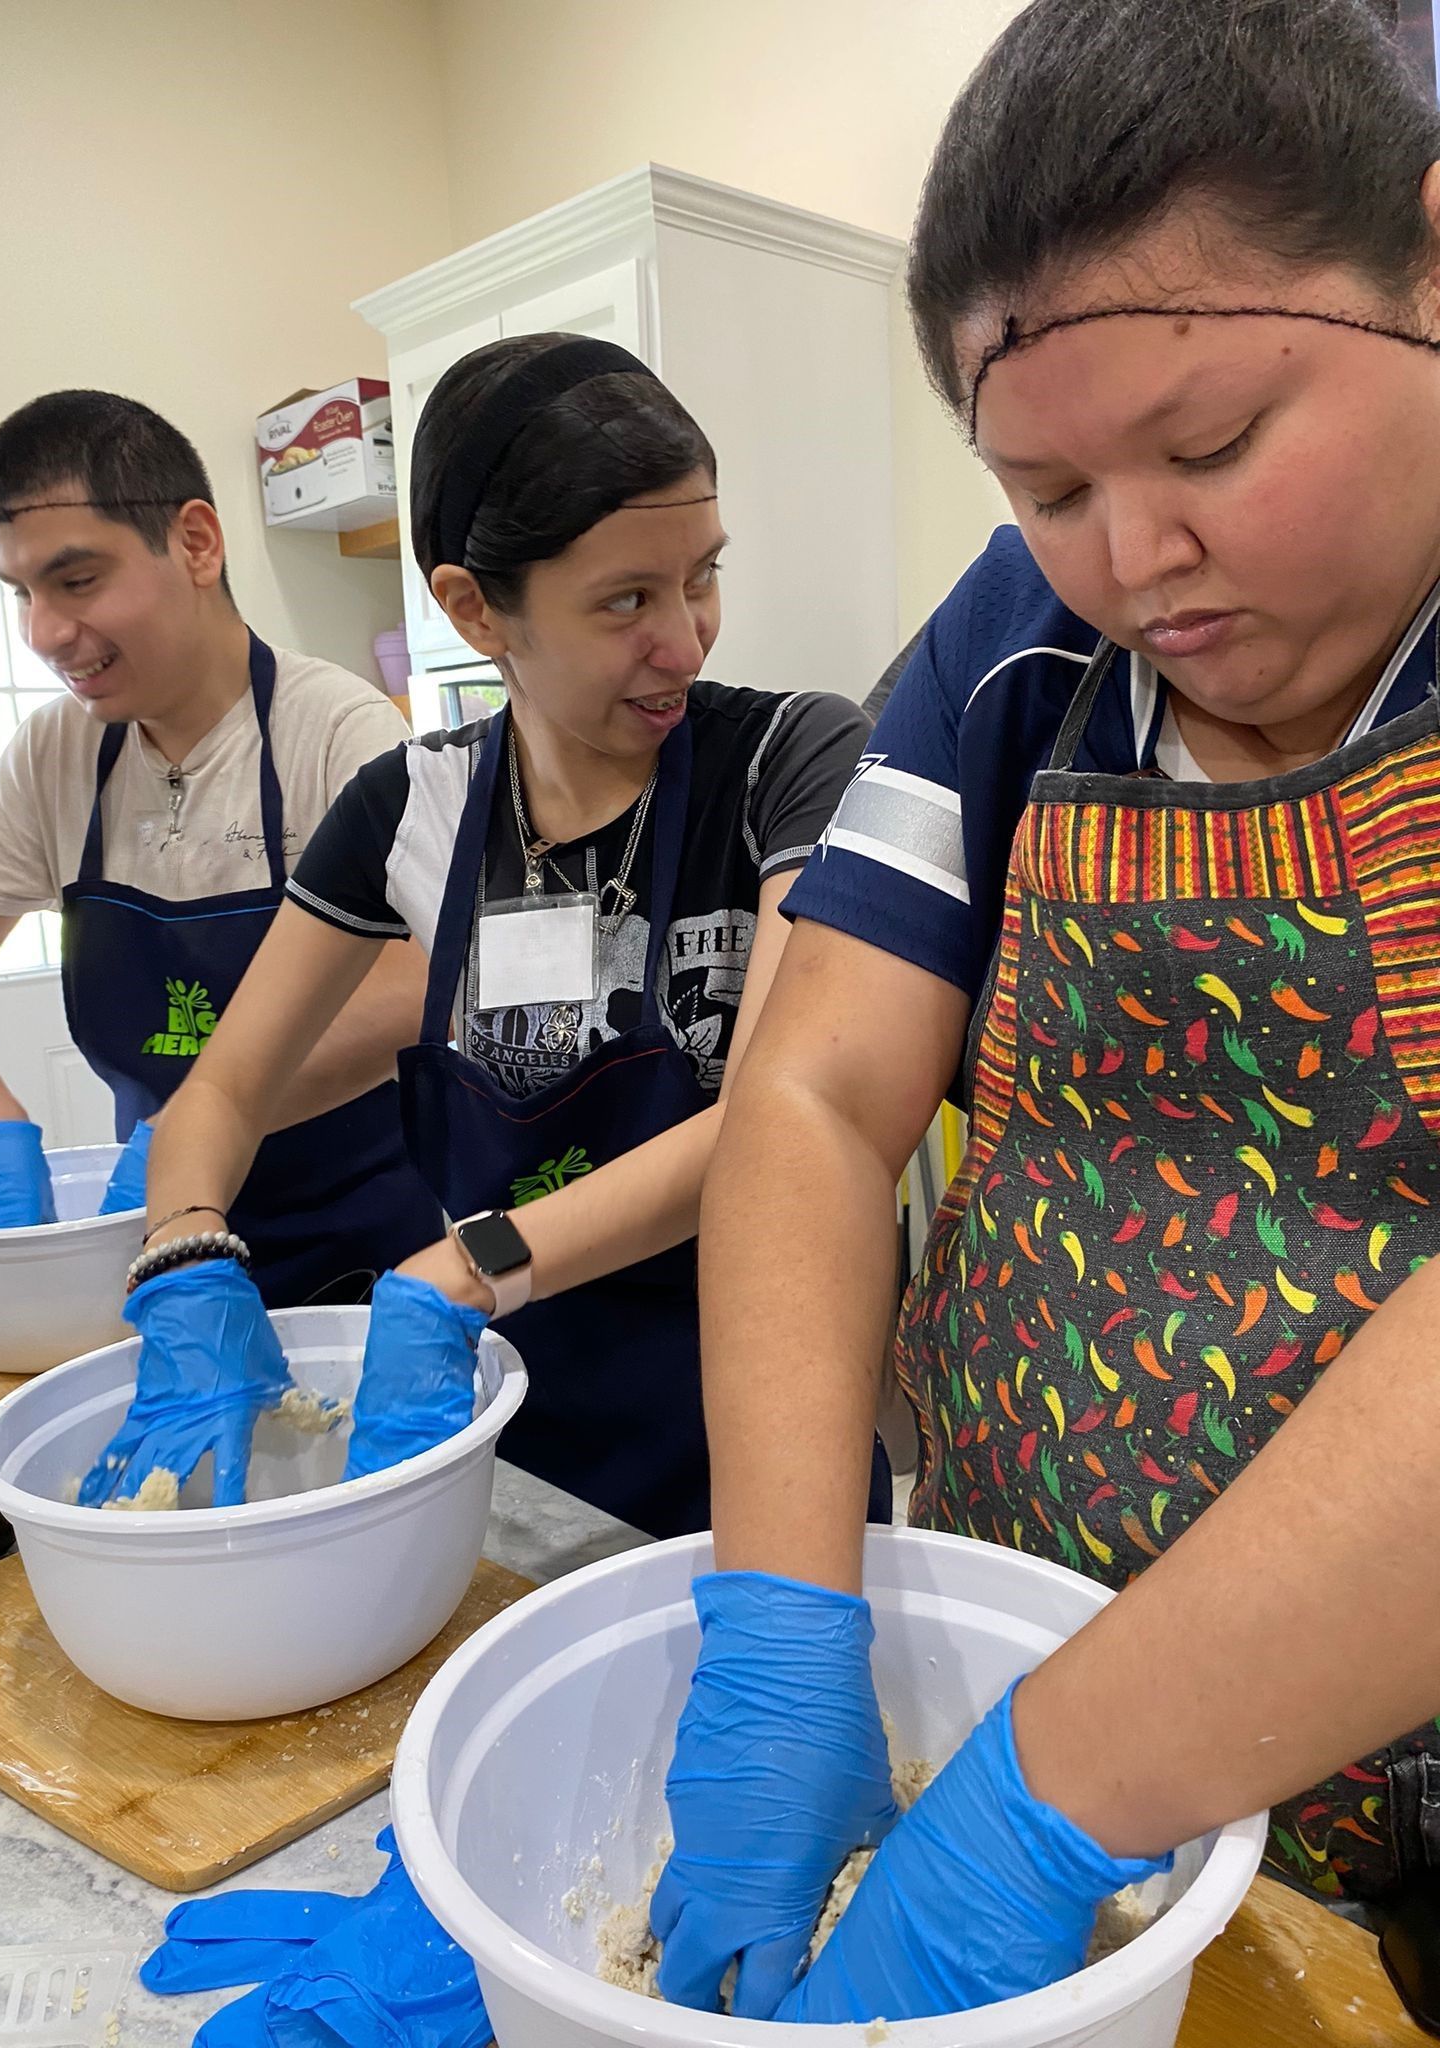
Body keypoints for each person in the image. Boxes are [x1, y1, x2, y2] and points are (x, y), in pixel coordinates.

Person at [650, 0, 1440, 2025]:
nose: (1136, 562)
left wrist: (1039, 1807)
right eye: (1047, 485)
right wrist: (781, 1614)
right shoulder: (1024, 652)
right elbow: (819, 1095)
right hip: (1004, 1658)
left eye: (1211, 447)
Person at [102, 332, 882, 1535]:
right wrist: (187, 1251)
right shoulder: (409, 809)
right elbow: (220, 1095)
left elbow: (773, 1118)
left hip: (758, 1434)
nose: (686, 638)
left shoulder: (786, 762)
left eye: (702, 575)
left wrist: (468, 1268)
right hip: (507, 1437)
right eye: (627, 599)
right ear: (473, 606)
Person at [0, 390, 441, 1304]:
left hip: (356, 1229)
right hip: (151, 1230)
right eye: (21, 593)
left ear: (196, 542)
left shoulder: (333, 730)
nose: (44, 633)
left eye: (76, 582)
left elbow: (421, 975)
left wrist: (196, 1117)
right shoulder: (55, 755)